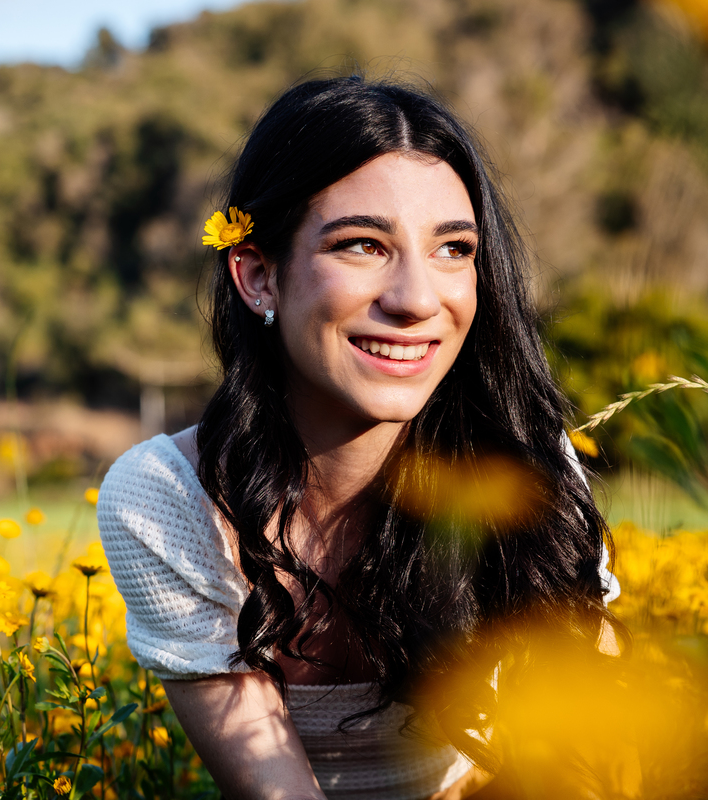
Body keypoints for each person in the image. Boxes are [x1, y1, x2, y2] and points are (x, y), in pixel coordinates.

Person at [97, 76, 622, 800]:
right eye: (362, 246)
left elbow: (587, 762)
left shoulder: (528, 467)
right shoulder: (166, 499)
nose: (415, 299)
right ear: (257, 277)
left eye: (454, 250)